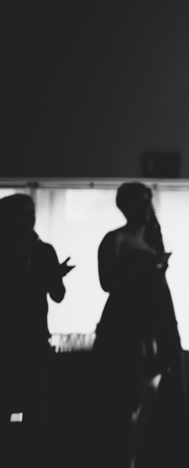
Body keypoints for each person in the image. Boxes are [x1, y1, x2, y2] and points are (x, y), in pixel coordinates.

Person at [94, 182, 189, 468]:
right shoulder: (115, 238)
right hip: (126, 321)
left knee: (157, 394)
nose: (146, 209)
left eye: (148, 202)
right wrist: (142, 268)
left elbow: (160, 287)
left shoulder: (153, 239)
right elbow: (107, 283)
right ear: (124, 206)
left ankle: (150, 457)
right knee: (127, 395)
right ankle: (123, 459)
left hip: (157, 319)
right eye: (140, 202)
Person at [0, 194, 72, 465]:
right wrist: (48, 277)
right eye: (23, 212)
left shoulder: (42, 250)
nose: (29, 218)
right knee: (20, 407)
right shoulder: (40, 250)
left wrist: (53, 277)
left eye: (31, 212)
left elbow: (58, 294)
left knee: (31, 408)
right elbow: (56, 294)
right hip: (16, 339)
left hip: (29, 339)